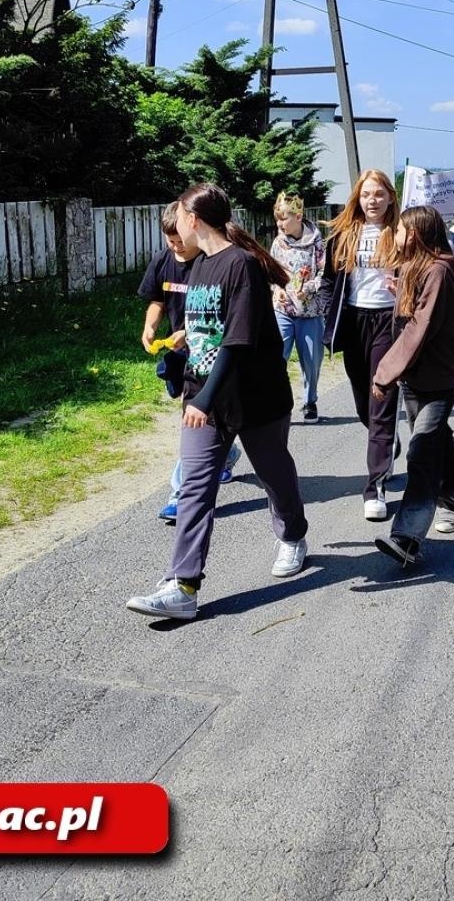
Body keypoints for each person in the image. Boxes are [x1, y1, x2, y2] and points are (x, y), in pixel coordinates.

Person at [126, 183, 310, 621]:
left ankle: (293, 536)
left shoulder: (241, 265)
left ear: (194, 220)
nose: (175, 230)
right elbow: (208, 329)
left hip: (254, 397)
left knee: (273, 474)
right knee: (195, 486)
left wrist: (204, 398)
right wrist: (185, 360)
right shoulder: (198, 267)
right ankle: (183, 586)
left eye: (180, 219)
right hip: (204, 397)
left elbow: (239, 339)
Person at [370, 206, 454, 566]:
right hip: (417, 377)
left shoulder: (440, 269)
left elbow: (420, 328)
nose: (394, 234)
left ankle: (407, 537)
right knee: (437, 441)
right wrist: (403, 292)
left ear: (413, 234)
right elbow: (416, 314)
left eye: (398, 229)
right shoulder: (420, 268)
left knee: (422, 450)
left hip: (438, 378)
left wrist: (384, 373)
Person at [139, 201, 239, 524]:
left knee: (192, 420)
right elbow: (157, 299)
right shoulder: (162, 262)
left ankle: (178, 495)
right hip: (181, 352)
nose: (177, 246)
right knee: (197, 420)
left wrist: (191, 331)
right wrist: (150, 327)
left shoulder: (212, 261)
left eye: (180, 239)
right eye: (170, 241)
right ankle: (228, 455)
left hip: (211, 351)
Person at [319, 169, 403, 520]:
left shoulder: (400, 233)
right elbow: (327, 281)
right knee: (363, 406)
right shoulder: (343, 236)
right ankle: (386, 442)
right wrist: (327, 313)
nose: (373, 201)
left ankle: (375, 486)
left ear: (390, 198)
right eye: (367, 194)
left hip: (388, 321)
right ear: (358, 198)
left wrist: (404, 291)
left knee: (381, 397)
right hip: (353, 322)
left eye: (379, 194)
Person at [269, 191, 326, 423]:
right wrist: (277, 289)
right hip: (283, 310)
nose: (280, 224)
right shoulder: (278, 243)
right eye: (277, 219)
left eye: (284, 218)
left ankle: (309, 401)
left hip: (309, 312)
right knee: (276, 357)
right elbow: (271, 272)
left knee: (311, 360)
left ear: (299, 216)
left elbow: (325, 274)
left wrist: (309, 288)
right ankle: (276, 402)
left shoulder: (317, 242)